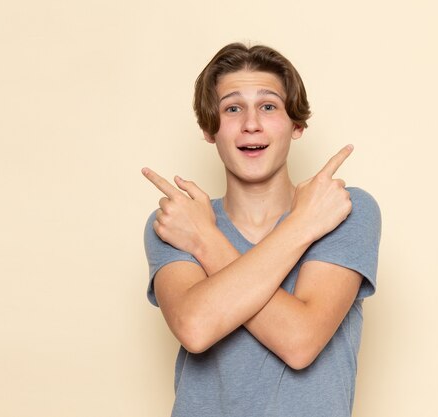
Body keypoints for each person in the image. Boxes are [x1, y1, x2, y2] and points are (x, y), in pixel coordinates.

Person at [142, 43, 381, 417]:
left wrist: (206, 241)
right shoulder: (178, 221)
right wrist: (303, 226)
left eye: (268, 106)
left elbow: (300, 341)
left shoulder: (343, 210)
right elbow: (195, 327)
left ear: (296, 125)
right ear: (210, 129)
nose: (250, 123)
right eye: (232, 108)